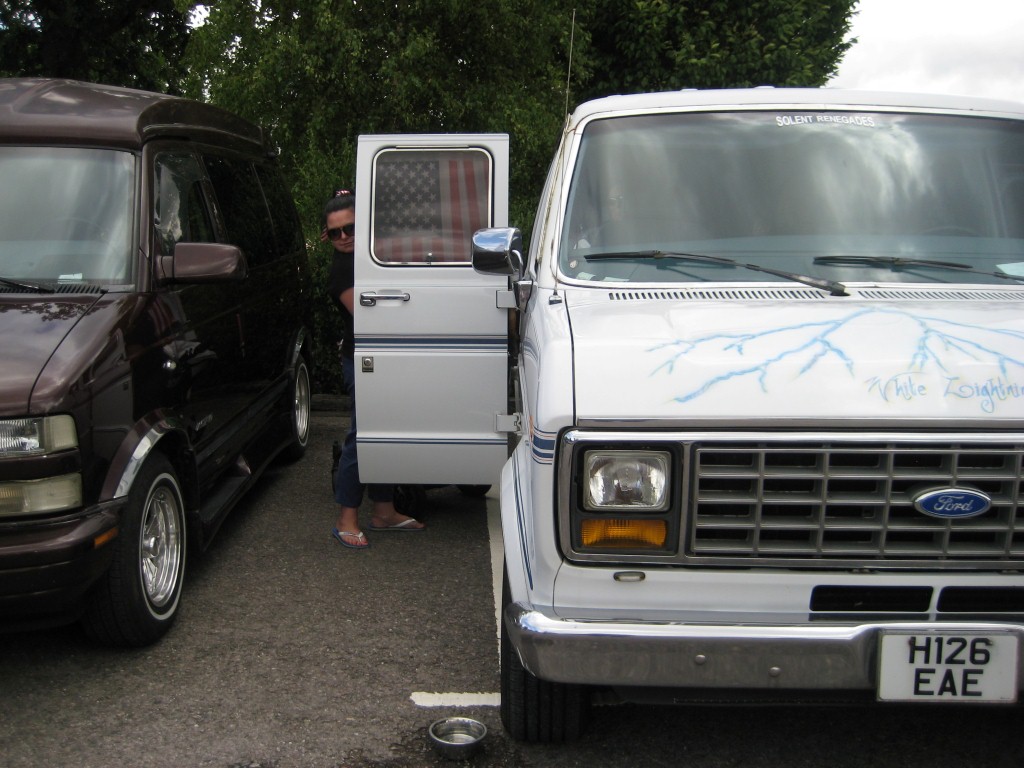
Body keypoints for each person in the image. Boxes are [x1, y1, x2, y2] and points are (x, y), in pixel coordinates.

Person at [325, 189, 426, 549]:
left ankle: (384, 511)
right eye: (335, 232)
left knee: (384, 432)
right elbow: (370, 317)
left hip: (384, 358)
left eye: (349, 228)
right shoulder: (341, 272)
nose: (344, 237)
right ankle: (345, 518)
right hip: (363, 360)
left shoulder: (369, 257)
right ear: (326, 236)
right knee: (361, 437)